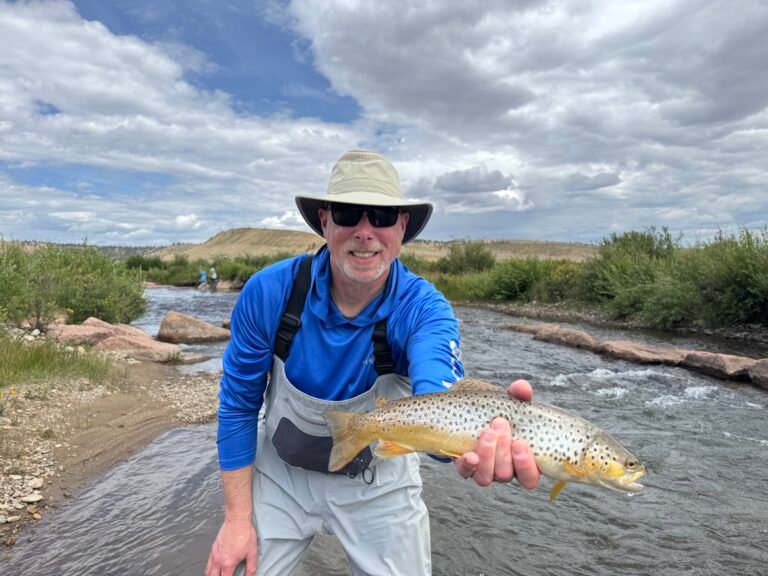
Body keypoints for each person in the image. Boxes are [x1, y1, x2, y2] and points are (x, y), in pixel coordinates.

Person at [205, 149, 541, 576]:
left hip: (378, 483)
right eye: (349, 213)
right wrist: (236, 523)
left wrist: (471, 446)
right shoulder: (269, 293)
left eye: (381, 217)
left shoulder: (425, 310)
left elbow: (437, 396)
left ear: (401, 227)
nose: (365, 232)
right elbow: (237, 408)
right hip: (279, 479)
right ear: (325, 221)